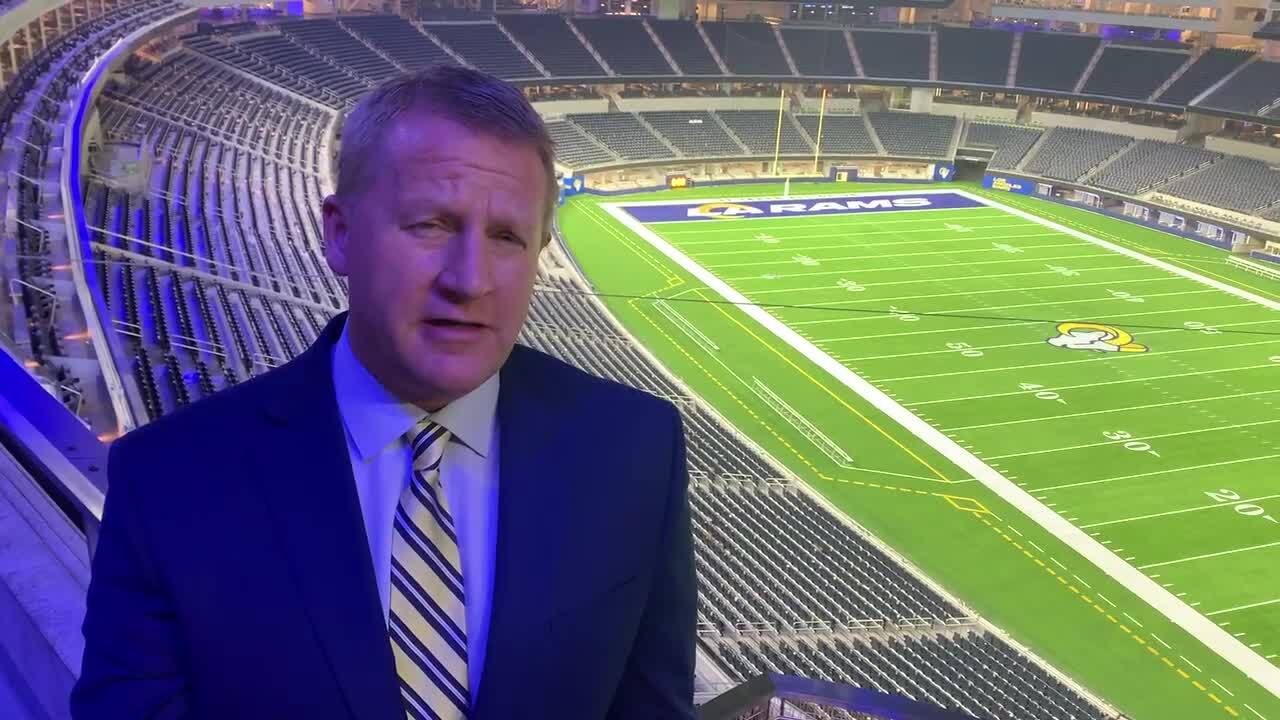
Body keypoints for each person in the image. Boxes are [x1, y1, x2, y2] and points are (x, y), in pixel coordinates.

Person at [71, 66, 696, 720]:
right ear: (339, 234)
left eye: (508, 237)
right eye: (430, 225)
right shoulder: (170, 477)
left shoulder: (634, 450)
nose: (470, 279)